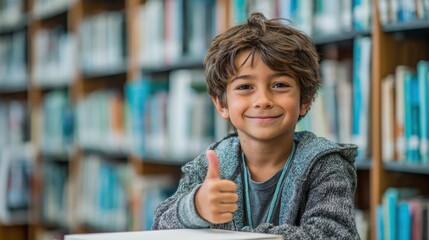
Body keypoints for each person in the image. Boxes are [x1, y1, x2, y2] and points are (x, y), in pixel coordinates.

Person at [152, 12, 360, 239]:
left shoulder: (325, 165)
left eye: (280, 85)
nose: (263, 100)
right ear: (222, 104)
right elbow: (160, 226)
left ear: (305, 100)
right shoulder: (211, 164)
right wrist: (196, 207)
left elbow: (335, 235)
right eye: (244, 87)